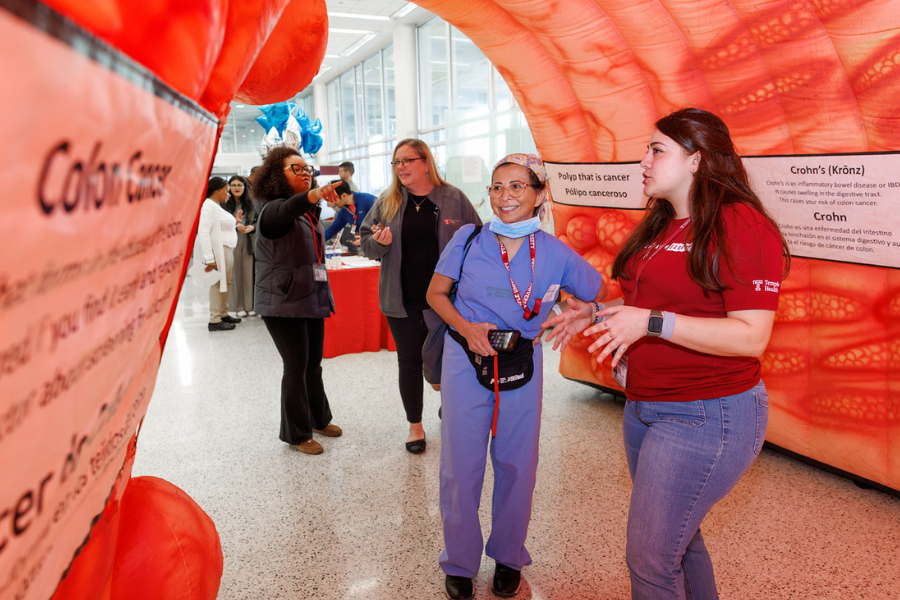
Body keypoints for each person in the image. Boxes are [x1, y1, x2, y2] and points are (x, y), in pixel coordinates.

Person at [543, 108, 791, 600]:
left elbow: (750, 336)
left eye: (657, 150)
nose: (644, 161)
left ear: (697, 160)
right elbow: (648, 301)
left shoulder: (740, 225)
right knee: (681, 542)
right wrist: (596, 312)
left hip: (708, 412)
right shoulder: (662, 224)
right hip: (645, 406)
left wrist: (652, 323)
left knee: (651, 558)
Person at [426, 154, 606, 599]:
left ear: (539, 195)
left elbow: (599, 292)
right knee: (460, 465)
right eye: (496, 187)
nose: (503, 197)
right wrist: (466, 329)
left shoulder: (556, 253)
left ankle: (509, 557)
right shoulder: (468, 238)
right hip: (465, 358)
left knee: (516, 463)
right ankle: (460, 562)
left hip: (521, 362)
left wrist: (582, 313)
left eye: (516, 187)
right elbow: (435, 294)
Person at [359, 139, 481, 454]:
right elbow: (366, 244)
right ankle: (415, 426)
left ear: (426, 162)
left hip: (448, 302)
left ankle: (450, 405)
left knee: (452, 360)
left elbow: (478, 242)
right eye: (396, 162)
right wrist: (380, 243)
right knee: (410, 362)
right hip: (402, 301)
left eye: (407, 160)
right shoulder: (386, 202)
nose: (400, 167)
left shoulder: (454, 198)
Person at [253, 147, 343, 455]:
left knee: (312, 365)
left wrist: (315, 201)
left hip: (310, 295)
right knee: (295, 365)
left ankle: (318, 419)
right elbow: (284, 211)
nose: (305, 173)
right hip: (282, 300)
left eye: (307, 169)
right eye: (296, 168)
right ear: (279, 175)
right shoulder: (271, 210)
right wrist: (314, 195)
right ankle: (296, 433)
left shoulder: (307, 212)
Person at [197, 177, 240, 331]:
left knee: (225, 283)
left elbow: (221, 226)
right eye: (226, 191)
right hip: (219, 250)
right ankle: (214, 320)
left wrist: (235, 221)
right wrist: (209, 259)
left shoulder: (215, 206)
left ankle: (223, 313)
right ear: (218, 190)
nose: (228, 194)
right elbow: (204, 232)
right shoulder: (209, 206)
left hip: (226, 249)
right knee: (217, 284)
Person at [225, 175, 257, 317]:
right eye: (233, 185)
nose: (236, 188)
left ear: (245, 187)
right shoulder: (224, 205)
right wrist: (235, 224)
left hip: (248, 242)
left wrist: (252, 227)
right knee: (235, 274)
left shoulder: (252, 204)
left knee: (249, 274)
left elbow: (260, 221)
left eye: (239, 185)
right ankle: (238, 307)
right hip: (232, 243)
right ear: (229, 188)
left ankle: (250, 306)